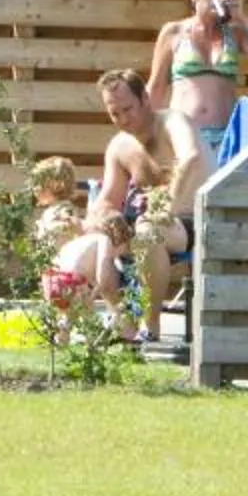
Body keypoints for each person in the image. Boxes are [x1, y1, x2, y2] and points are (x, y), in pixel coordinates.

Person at [145, 0, 248, 233]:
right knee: (180, 210)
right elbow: (156, 88)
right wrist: (149, 139)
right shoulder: (174, 32)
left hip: (226, 137)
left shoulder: (234, 33)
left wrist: (242, 17)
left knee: (220, 213)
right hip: (187, 136)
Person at [88, 67, 186, 317]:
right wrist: (107, 215)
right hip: (135, 226)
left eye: (127, 109)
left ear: (144, 99)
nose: (122, 119)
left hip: (178, 222)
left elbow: (190, 167)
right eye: (114, 113)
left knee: (146, 234)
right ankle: (123, 324)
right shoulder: (119, 146)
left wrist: (163, 203)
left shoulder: (171, 127)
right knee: (89, 245)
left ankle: (147, 325)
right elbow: (107, 199)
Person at [31, 154, 131, 339]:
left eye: (38, 184)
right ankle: (98, 338)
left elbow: (71, 226)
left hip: (70, 271)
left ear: (54, 184)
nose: (34, 189)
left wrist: (57, 227)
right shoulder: (52, 210)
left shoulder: (63, 210)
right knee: (80, 313)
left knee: (72, 312)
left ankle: (98, 336)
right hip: (64, 271)